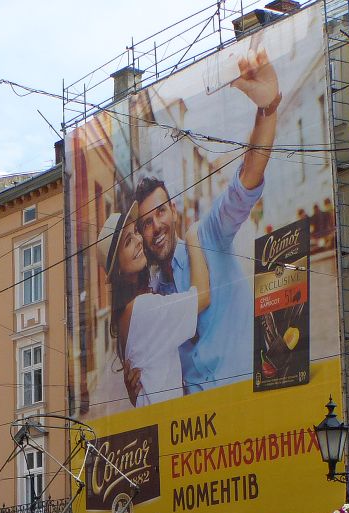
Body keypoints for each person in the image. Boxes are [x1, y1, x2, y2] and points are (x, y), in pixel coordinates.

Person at [125, 45, 282, 399]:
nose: (156, 227)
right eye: (146, 223)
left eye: (161, 213)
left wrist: (268, 109)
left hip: (250, 401)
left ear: (175, 211)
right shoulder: (153, 299)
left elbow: (247, 179)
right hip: (199, 426)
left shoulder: (209, 235)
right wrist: (135, 381)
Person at [98, 202, 213, 406]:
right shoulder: (143, 309)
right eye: (127, 242)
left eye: (135, 232)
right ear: (118, 270)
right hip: (166, 423)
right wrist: (192, 236)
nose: (138, 241)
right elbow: (203, 296)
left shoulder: (127, 314)